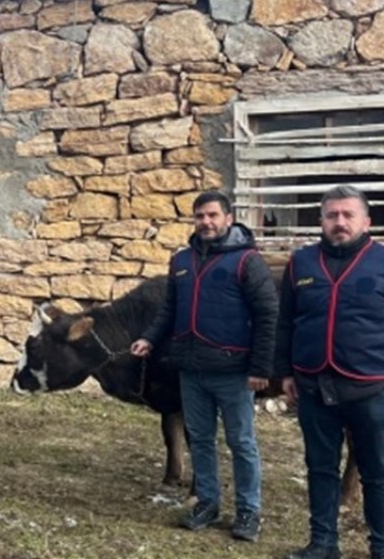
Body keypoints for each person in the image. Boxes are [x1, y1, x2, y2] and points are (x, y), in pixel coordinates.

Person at [277, 186, 384, 559]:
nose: (340, 222)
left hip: (370, 388)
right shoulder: (300, 264)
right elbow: (285, 323)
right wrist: (283, 371)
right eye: (332, 215)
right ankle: (323, 543)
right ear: (321, 220)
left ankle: (382, 549)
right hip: (313, 385)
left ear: (367, 221)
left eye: (348, 215)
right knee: (320, 468)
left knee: (377, 472)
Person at [130, 191, 277, 541]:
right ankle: (207, 504)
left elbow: (268, 314)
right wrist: (149, 337)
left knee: (241, 442)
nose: (206, 222)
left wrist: (260, 368)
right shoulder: (181, 260)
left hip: (234, 371)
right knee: (200, 439)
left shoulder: (247, 261)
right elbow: (169, 309)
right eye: (200, 216)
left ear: (228, 218)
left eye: (213, 215)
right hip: (191, 369)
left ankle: (248, 511)